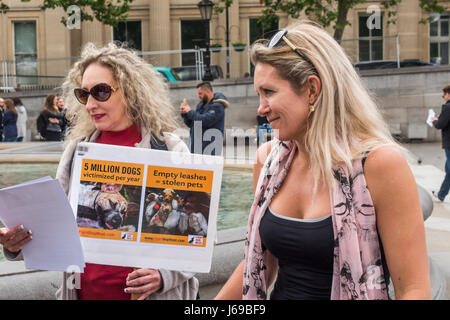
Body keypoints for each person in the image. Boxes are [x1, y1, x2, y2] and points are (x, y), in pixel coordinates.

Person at [215, 22, 430, 300]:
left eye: (268, 92)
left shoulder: (379, 163)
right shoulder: (267, 160)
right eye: (259, 94)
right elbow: (258, 267)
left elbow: (413, 289)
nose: (260, 108)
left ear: (312, 90)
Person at [0, 42, 199, 300]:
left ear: (130, 90)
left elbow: (197, 238)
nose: (90, 104)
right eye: (84, 95)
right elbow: (54, 228)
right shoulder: (76, 151)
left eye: (101, 92)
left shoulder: (170, 149)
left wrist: (163, 276)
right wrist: (17, 243)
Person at [180, 81, 228, 155]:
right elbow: (193, 123)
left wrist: (189, 111)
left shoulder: (218, 106)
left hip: (210, 147)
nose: (199, 96)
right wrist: (185, 114)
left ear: (208, 91)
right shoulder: (201, 105)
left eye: (200, 93)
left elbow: (204, 120)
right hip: (197, 147)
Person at [431, 85, 450, 202]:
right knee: (448, 169)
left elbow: (439, 125)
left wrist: (434, 120)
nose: (443, 97)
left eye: (443, 95)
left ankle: (441, 194)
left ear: (448, 94)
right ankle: (441, 194)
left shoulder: (447, 107)